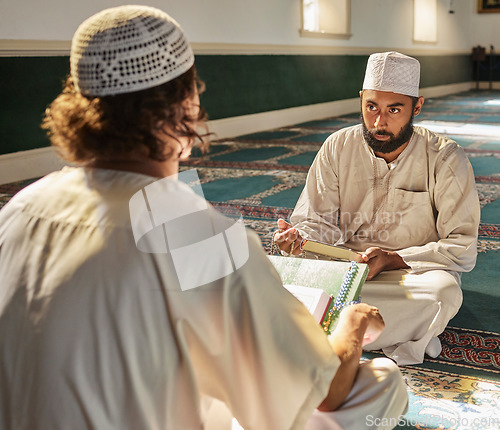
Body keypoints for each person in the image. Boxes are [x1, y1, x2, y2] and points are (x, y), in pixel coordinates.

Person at [0, 6, 408, 430]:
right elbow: (324, 391)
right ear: (186, 105)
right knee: (380, 384)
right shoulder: (197, 239)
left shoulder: (20, 209)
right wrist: (355, 321)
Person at [273, 51, 481, 366]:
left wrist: (393, 259)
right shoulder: (337, 147)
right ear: (361, 100)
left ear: (417, 107)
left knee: (443, 294)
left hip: (412, 274)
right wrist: (298, 239)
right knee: (277, 274)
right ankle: (375, 329)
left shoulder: (445, 158)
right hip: (346, 269)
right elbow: (317, 222)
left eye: (394, 109)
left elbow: (461, 247)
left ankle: (324, 324)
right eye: (371, 107)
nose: (379, 122)